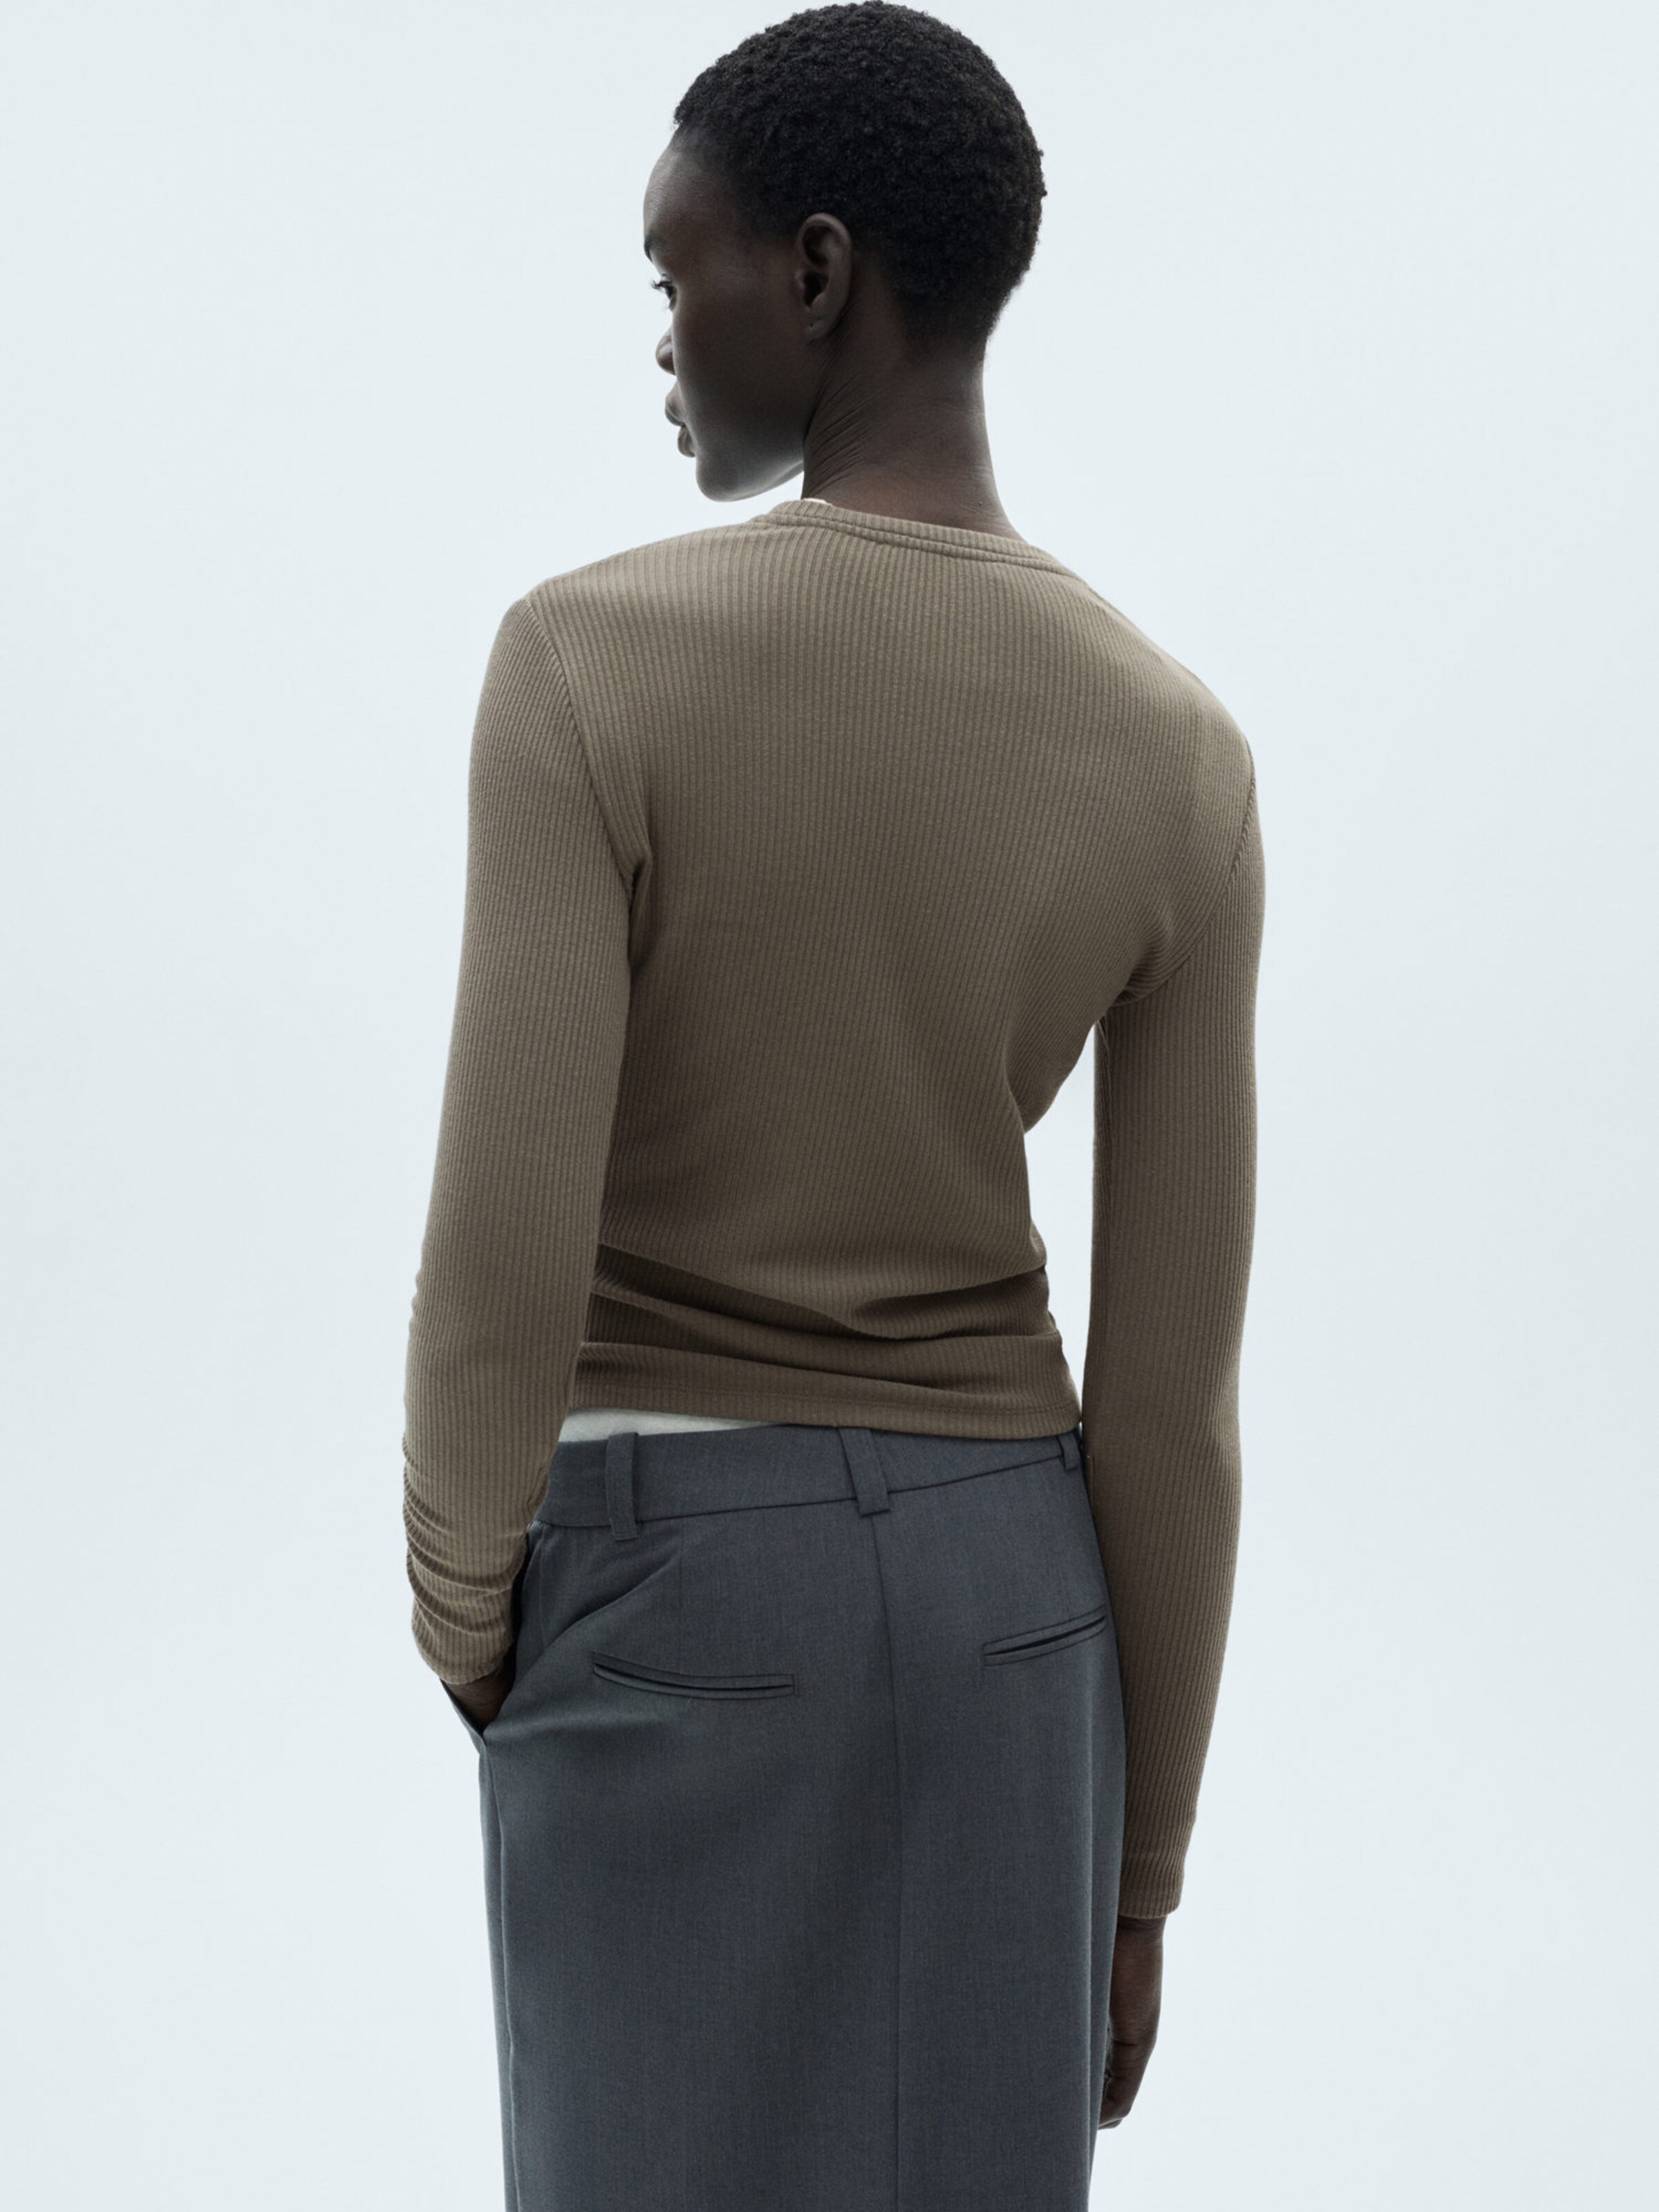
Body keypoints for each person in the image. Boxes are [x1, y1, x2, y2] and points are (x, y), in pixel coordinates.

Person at [401, 6, 1263, 2206]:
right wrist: (1141, 1862)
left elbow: (503, 1261)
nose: (660, 330)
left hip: (669, 1585)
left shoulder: (588, 662)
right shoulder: (1176, 750)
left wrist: (474, 1616)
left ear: (814, 270)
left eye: (674, 267)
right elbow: (1169, 1404)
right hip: (1018, 1615)